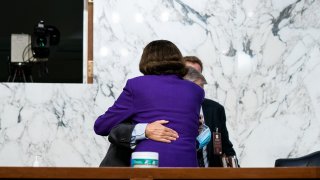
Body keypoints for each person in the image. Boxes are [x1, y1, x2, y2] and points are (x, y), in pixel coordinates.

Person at [94, 40, 204, 167]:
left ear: (146, 60)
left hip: (149, 164)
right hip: (187, 165)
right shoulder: (196, 91)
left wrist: (143, 129)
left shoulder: (137, 85)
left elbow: (101, 126)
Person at [183, 56, 238, 167]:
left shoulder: (216, 109)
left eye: (197, 75)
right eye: (189, 75)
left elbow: (225, 146)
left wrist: (238, 172)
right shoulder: (171, 108)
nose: (194, 80)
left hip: (211, 174)